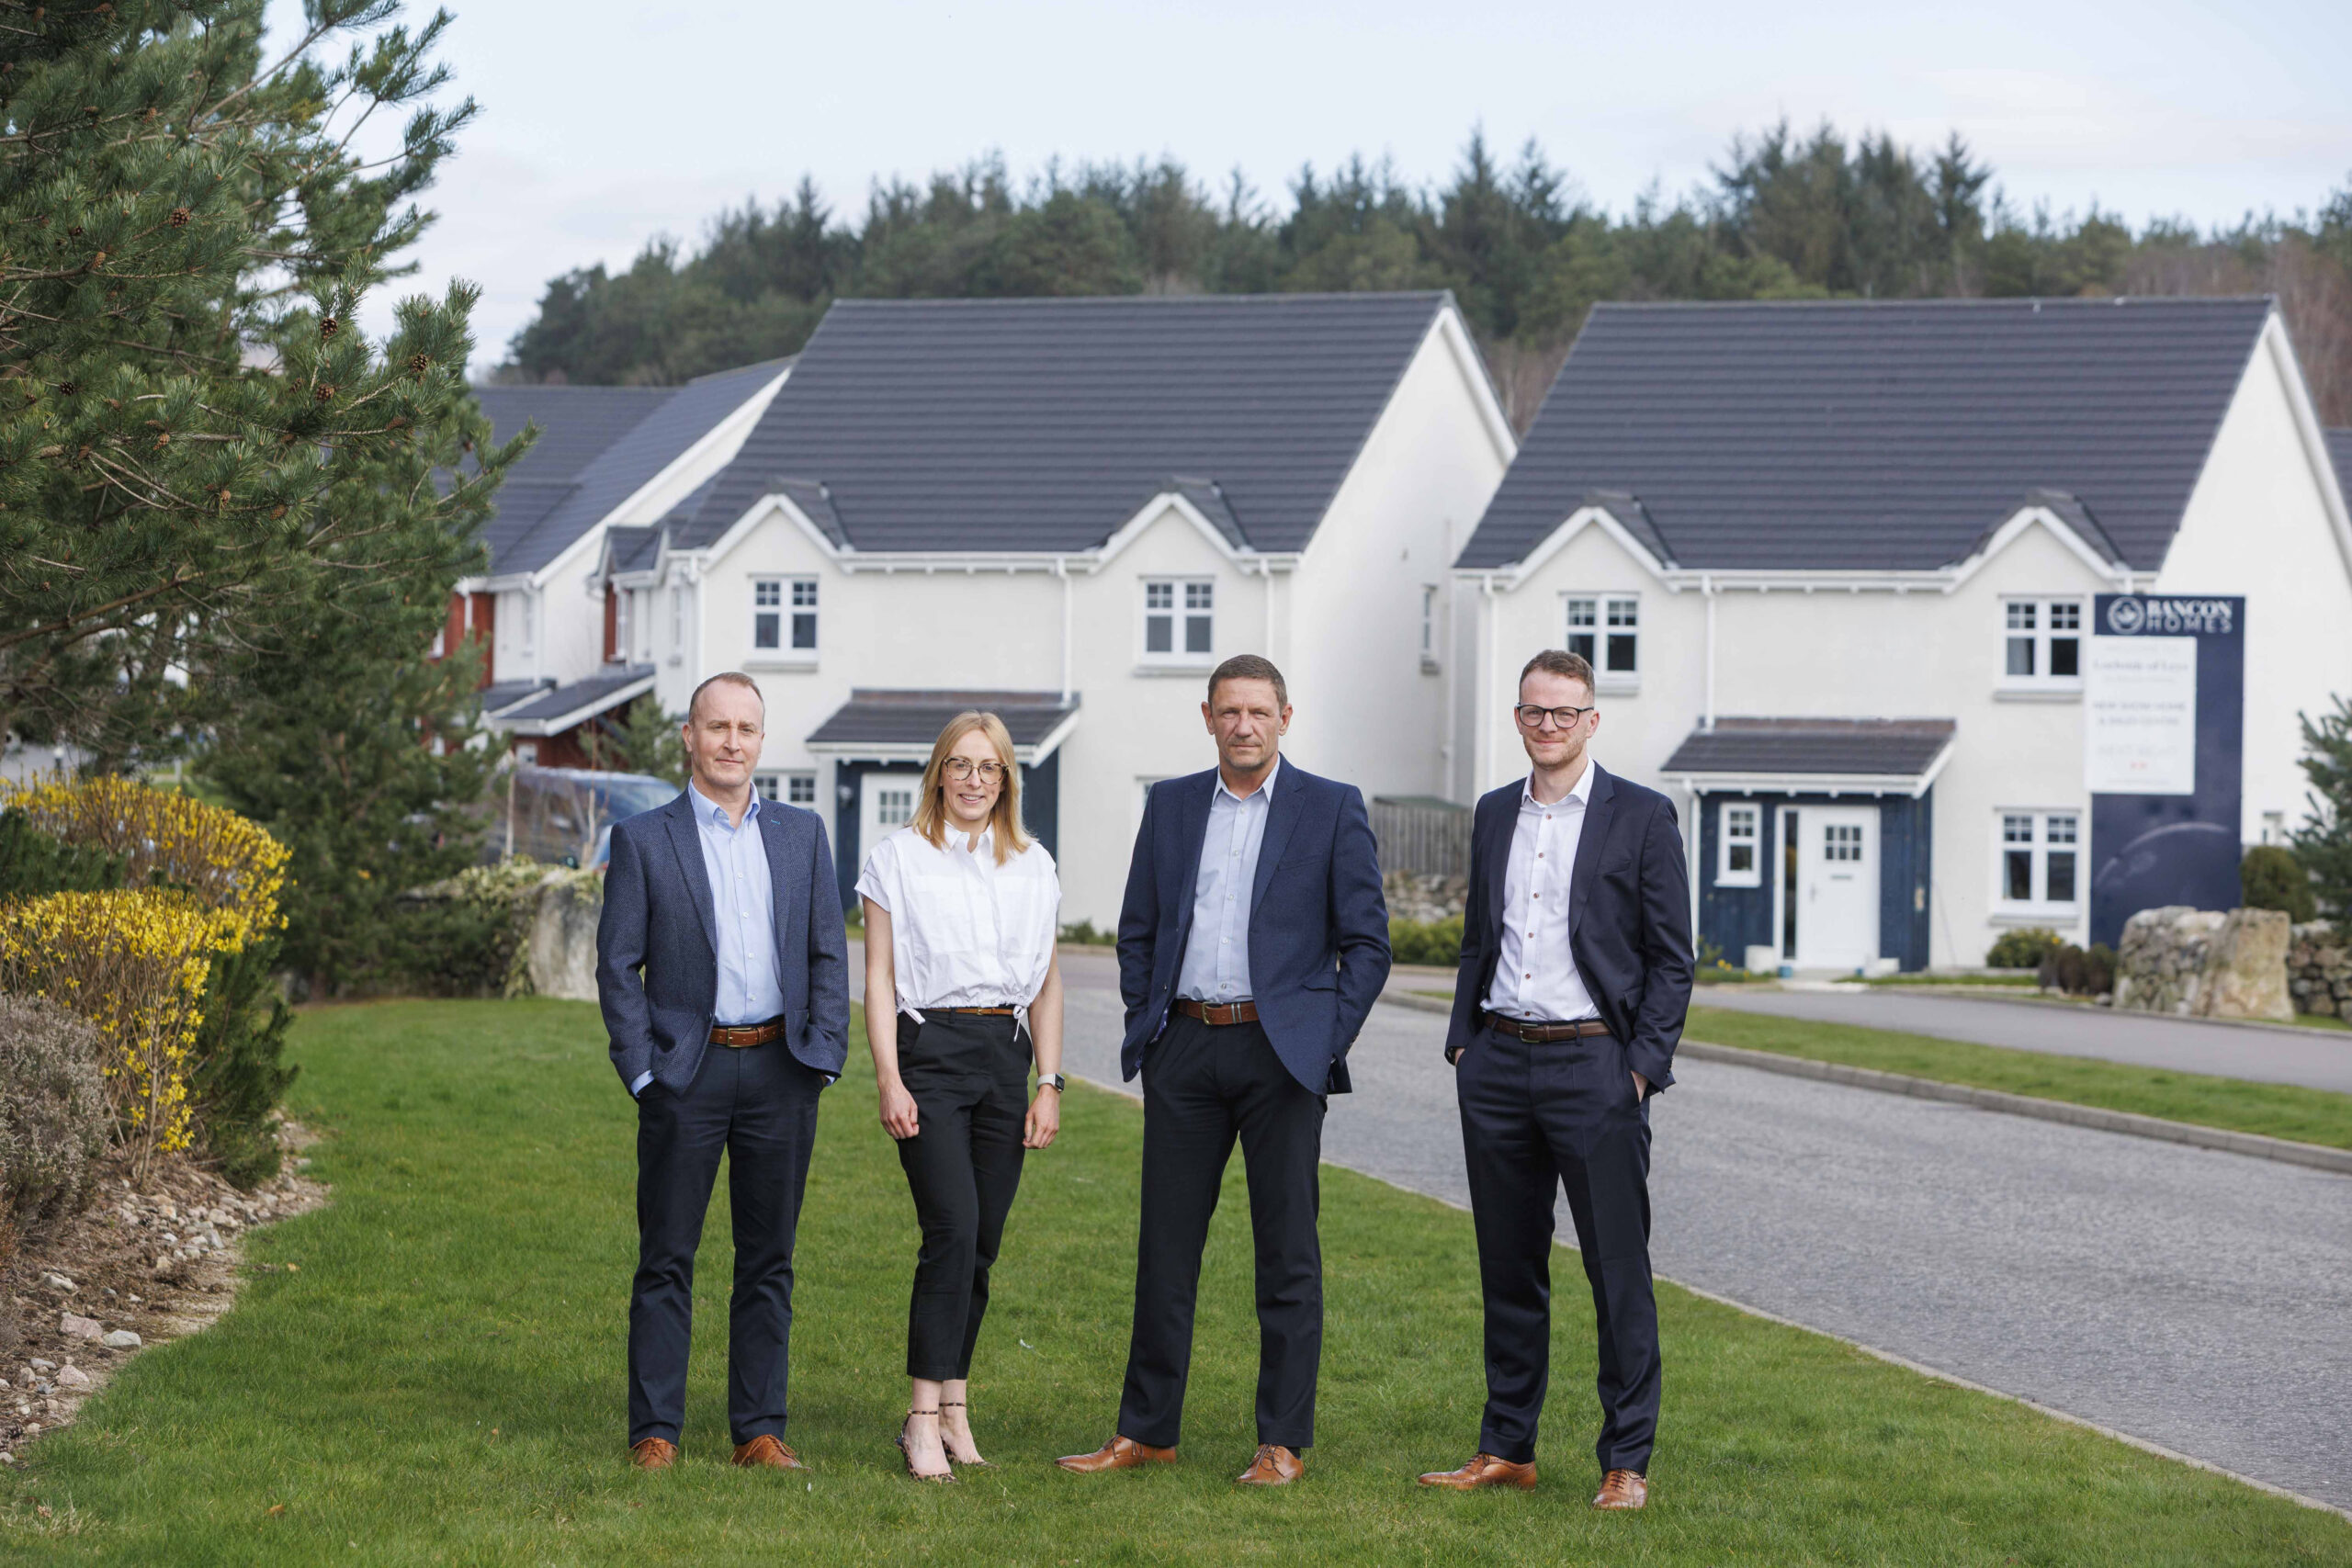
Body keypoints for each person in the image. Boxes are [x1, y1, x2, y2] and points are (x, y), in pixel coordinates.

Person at [1058, 654, 1390, 1488]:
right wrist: (1150, 1026)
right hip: (1186, 1048)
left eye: (1259, 711)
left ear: (1285, 717)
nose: (1245, 725)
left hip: (1283, 1056)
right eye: (1230, 711)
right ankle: (1146, 1431)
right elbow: (1139, 928)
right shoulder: (1171, 804)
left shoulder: (1331, 807)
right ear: (1207, 717)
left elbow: (1368, 944)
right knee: (1165, 1249)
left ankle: (1281, 1441)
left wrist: (1321, 1041)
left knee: (1287, 1253)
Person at [1416, 649, 1692, 1509]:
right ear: (1518, 717)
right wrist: (1464, 1044)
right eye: (1534, 710)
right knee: (1508, 1266)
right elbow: (1479, 938)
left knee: (1617, 1270)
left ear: (1591, 720)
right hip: (1498, 1062)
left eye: (1564, 712)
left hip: (1595, 1066)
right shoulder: (1495, 811)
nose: (1548, 725)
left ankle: (1626, 1459)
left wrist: (1639, 1070)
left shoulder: (1641, 815)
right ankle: (1508, 1446)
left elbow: (1671, 959)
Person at [595, 671, 851, 1472]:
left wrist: (824, 1056)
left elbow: (828, 951)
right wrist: (644, 1072)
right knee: (667, 1256)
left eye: (746, 728)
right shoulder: (645, 839)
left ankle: (759, 1430)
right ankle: (656, 1432)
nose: (731, 742)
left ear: (761, 740)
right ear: (690, 736)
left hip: (782, 1069)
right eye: (717, 727)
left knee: (768, 1258)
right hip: (686, 1074)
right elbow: (617, 965)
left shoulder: (803, 834)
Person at [857, 711, 1068, 1483]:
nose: (974, 780)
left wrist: (1048, 1082)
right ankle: (919, 1418)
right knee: (950, 1228)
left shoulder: (1034, 865)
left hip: (1005, 1057)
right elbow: (878, 977)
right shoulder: (898, 859)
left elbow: (1047, 983)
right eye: (960, 764)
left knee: (983, 1241)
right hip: (931, 1052)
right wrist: (889, 1077)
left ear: (1006, 779)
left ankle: (954, 1406)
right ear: (938, 773)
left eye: (989, 767)